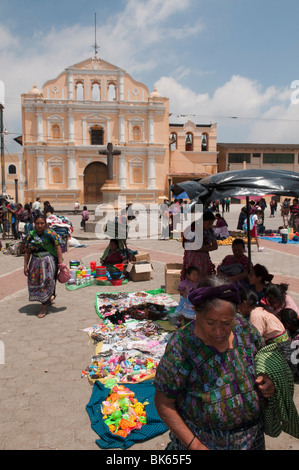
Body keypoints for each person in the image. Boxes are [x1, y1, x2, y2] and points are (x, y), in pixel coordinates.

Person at [154, 276, 275, 451]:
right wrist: (194, 444)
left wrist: (267, 382)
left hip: (253, 438)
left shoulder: (244, 329)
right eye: (210, 322)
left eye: (226, 323)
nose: (219, 331)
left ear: (236, 314)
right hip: (204, 442)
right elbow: (164, 403)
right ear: (196, 313)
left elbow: (263, 361)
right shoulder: (181, 346)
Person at [238, 289, 295, 375]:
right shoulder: (259, 310)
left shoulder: (255, 315)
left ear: (244, 303)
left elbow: (255, 340)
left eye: (238, 306)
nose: (238, 310)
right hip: (283, 348)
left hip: (281, 351)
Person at [24, 214, 63, 318]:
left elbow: (58, 247)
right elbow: (27, 251)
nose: (39, 225)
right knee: (37, 282)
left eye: (42, 223)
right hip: (35, 262)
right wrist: (25, 265)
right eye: (37, 223)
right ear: (34, 224)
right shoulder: (31, 236)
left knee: (47, 281)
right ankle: (47, 299)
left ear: (45, 224)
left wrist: (60, 262)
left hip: (49, 261)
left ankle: (43, 306)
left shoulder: (51, 233)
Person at [180, 211, 217, 281]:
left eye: (211, 223)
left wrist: (200, 248)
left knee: (204, 279)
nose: (210, 225)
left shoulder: (209, 231)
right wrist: (208, 246)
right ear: (202, 221)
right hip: (192, 259)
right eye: (209, 223)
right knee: (193, 278)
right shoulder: (192, 229)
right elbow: (190, 247)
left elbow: (215, 246)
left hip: (204, 259)